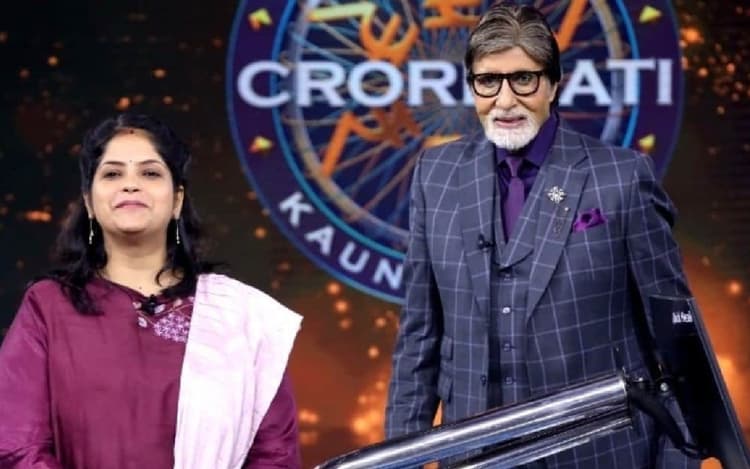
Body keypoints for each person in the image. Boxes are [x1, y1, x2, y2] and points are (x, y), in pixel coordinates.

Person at [385, 3, 699, 468]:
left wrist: (679, 458)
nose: (505, 100)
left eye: (523, 79)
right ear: (472, 87)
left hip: (602, 455)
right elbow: (418, 340)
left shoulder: (622, 178)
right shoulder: (436, 175)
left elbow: (675, 343)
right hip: (475, 456)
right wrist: (395, 460)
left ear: (554, 83)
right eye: (488, 81)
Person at [0, 113, 303, 468]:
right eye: (113, 174)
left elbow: (274, 454)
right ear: (89, 203)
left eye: (150, 173)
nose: (131, 185)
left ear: (177, 201)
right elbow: (17, 445)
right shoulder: (49, 306)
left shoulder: (240, 316)